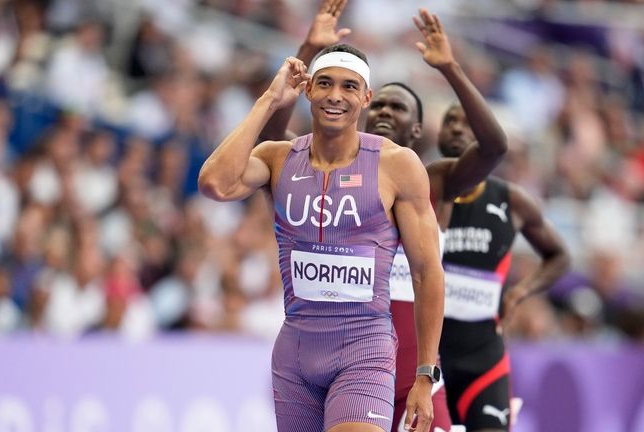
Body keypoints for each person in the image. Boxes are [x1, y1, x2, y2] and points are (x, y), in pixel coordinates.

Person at [261, 3, 509, 432]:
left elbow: (493, 148)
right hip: (334, 356)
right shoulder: (312, 166)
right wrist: (311, 52)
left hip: (409, 370)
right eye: (381, 108)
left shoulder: (429, 179)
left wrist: (450, 68)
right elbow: (266, 144)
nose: (385, 115)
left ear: (416, 132)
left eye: (398, 110)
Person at [199, 44, 445, 432]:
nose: (335, 95)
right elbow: (214, 183)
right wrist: (269, 99)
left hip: (365, 350)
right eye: (325, 83)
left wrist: (425, 373)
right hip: (295, 354)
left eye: (349, 87)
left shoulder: (397, 165)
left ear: (366, 97)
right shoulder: (277, 157)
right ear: (308, 90)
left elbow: (427, 272)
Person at [436, 103, 570, 432]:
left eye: (466, 122)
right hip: (429, 356)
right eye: (449, 121)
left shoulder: (512, 200)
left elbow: (559, 255)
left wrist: (520, 291)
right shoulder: (418, 188)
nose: (455, 128)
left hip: (483, 357)